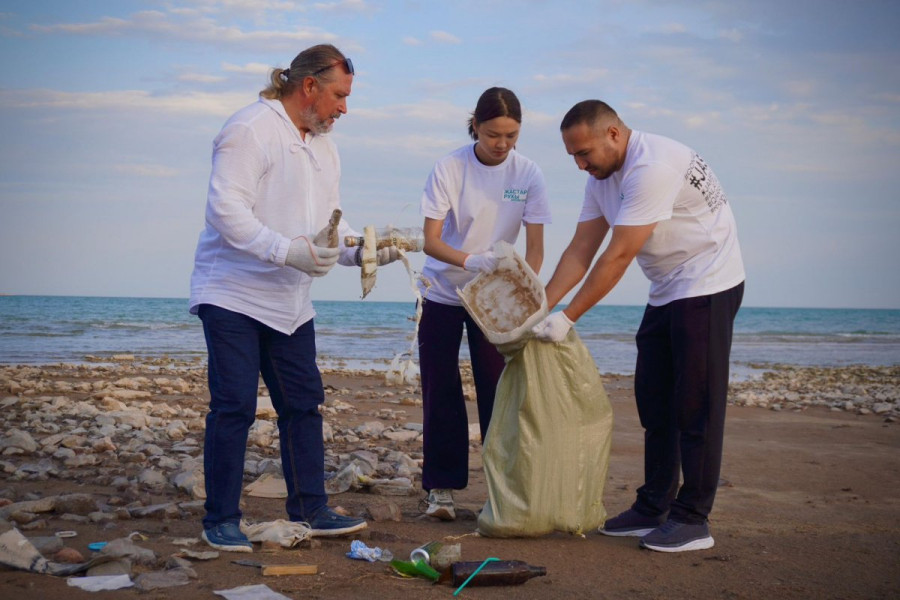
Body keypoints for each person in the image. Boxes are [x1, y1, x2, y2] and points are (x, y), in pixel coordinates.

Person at [189, 44, 398, 552]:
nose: (344, 108)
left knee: (303, 405)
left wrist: (365, 251)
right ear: (309, 86)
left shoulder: (325, 145)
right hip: (233, 293)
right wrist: (286, 252)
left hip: (290, 302)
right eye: (339, 96)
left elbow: (329, 226)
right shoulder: (249, 129)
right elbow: (226, 210)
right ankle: (220, 519)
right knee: (234, 406)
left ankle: (311, 508)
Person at [532, 100, 744, 553]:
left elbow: (619, 255)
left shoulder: (653, 166)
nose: (580, 164)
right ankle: (653, 506)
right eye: (572, 155)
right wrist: (541, 306)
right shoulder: (601, 177)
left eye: (584, 152)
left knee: (696, 405)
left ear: (613, 134)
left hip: (708, 280)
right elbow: (581, 249)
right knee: (654, 399)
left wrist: (568, 318)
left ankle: (693, 520)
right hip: (668, 285)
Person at [418, 87, 552, 520]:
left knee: (499, 391)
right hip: (443, 292)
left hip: (497, 298)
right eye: (494, 134)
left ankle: (501, 488)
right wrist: (471, 261)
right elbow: (431, 241)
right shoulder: (449, 168)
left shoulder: (528, 174)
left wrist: (522, 295)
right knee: (442, 391)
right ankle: (441, 488)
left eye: (512, 136)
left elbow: (534, 250)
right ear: (475, 124)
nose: (502, 144)